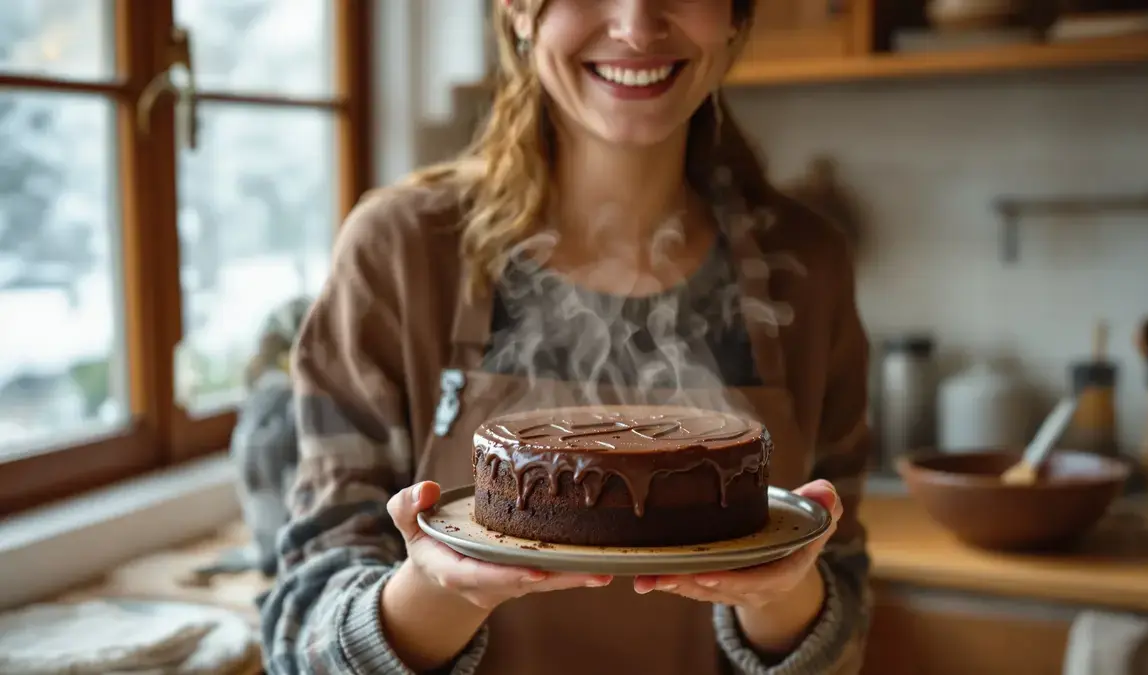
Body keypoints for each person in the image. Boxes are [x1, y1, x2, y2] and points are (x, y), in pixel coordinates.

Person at [258, 0, 872, 673]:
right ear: (519, 10)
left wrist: (783, 594)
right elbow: (301, 634)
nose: (637, 25)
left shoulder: (805, 269)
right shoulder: (401, 252)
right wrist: (439, 590)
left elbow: (845, 617)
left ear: (734, 15)